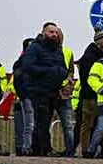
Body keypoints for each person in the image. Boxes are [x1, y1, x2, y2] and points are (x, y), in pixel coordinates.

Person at [19, 23, 71, 156]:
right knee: (41, 120)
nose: (53, 35)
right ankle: (45, 148)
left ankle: (36, 149)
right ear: (43, 33)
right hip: (38, 90)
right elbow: (27, 67)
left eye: (55, 32)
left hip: (53, 91)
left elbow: (64, 69)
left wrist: (60, 73)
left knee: (45, 120)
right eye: (50, 32)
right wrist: (49, 71)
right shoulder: (35, 48)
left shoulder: (57, 50)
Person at [74, 27, 103, 157]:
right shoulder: (90, 57)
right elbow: (87, 79)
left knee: (101, 125)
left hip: (100, 96)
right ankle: (86, 150)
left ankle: (101, 149)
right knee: (88, 124)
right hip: (90, 97)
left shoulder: (102, 55)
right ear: (99, 42)